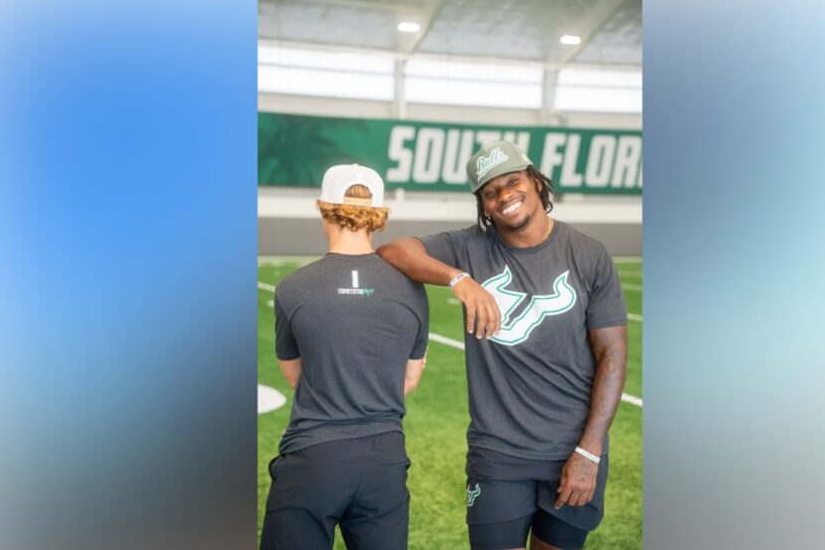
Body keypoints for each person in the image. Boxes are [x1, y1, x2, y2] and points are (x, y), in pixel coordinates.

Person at [377, 141, 628, 550]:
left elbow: (612, 356)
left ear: (535, 180)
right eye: (490, 192)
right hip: (498, 452)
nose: (505, 196)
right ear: (483, 204)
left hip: (572, 448)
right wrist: (460, 280)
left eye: (513, 182)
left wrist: (590, 452)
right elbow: (392, 250)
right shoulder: (471, 247)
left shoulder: (588, 255)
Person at [260, 164, 429, 550]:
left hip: (314, 455)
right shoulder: (413, 290)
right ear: (379, 215)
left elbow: (293, 376)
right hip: (385, 461)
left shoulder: (292, 288)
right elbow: (409, 380)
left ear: (324, 210)